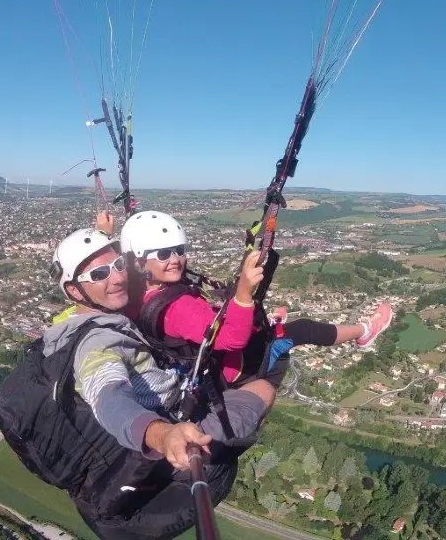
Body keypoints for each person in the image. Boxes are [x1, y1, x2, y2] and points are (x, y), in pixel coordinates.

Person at [22, 227, 275, 539]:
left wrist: (107, 231)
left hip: (123, 466)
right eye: (100, 273)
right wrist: (161, 434)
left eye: (117, 266)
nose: (116, 278)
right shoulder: (98, 345)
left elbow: (113, 273)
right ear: (75, 291)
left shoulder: (71, 323)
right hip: (165, 449)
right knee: (263, 388)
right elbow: (108, 396)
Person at [104, 210, 395, 388]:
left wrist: (106, 234)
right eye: (164, 254)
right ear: (139, 260)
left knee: (250, 312)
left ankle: (268, 323)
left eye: (178, 250)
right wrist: (243, 294)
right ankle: (364, 332)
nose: (176, 260)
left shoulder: (130, 291)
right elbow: (231, 340)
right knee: (301, 329)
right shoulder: (178, 309)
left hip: (196, 358)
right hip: (232, 367)